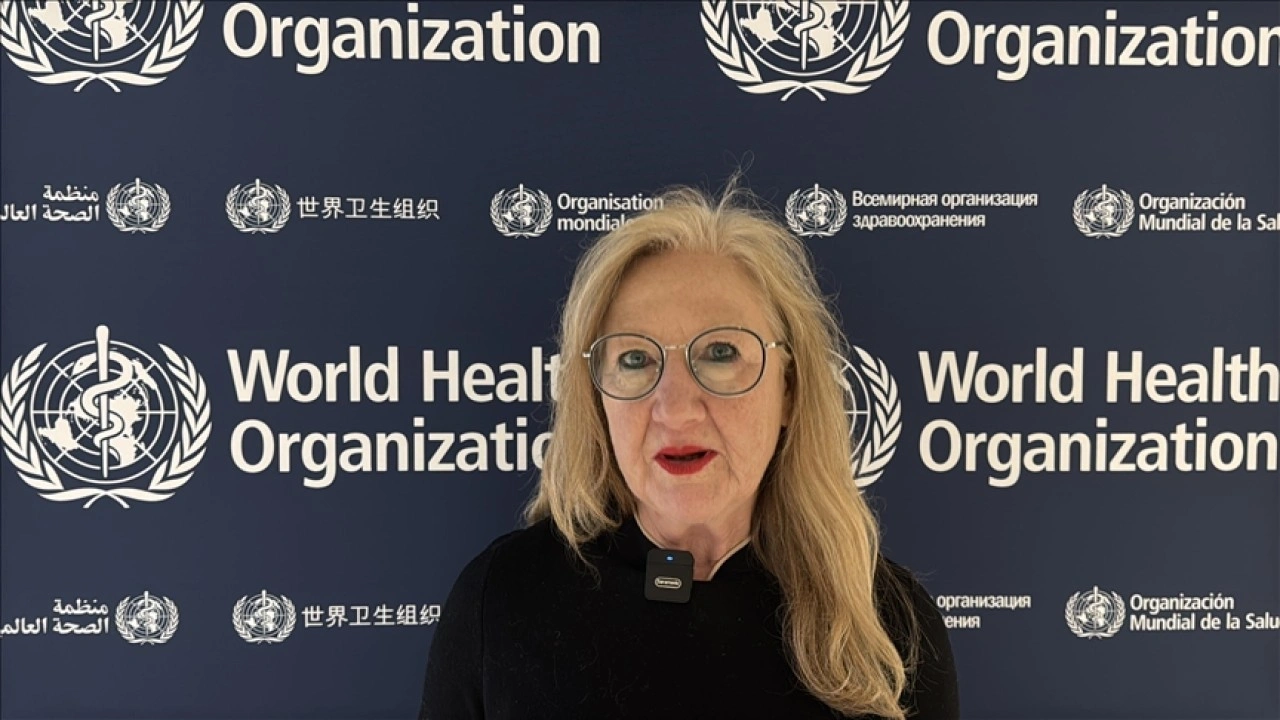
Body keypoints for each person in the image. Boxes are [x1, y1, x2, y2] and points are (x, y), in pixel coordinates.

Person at [419, 185, 959, 719]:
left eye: (721, 352)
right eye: (635, 359)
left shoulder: (892, 629)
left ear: (790, 390)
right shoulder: (502, 601)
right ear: (596, 397)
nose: (675, 410)